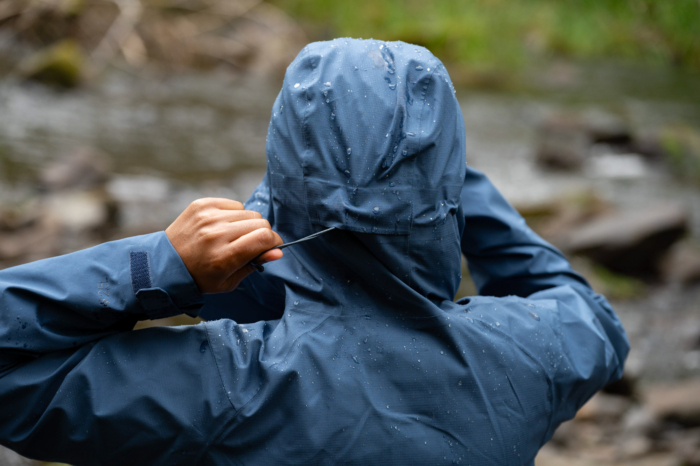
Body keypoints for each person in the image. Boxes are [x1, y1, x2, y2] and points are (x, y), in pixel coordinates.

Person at [0, 39, 628, 465]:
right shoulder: (528, 354)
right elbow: (589, 312)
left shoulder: (228, 385)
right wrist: (441, 174)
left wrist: (161, 265)